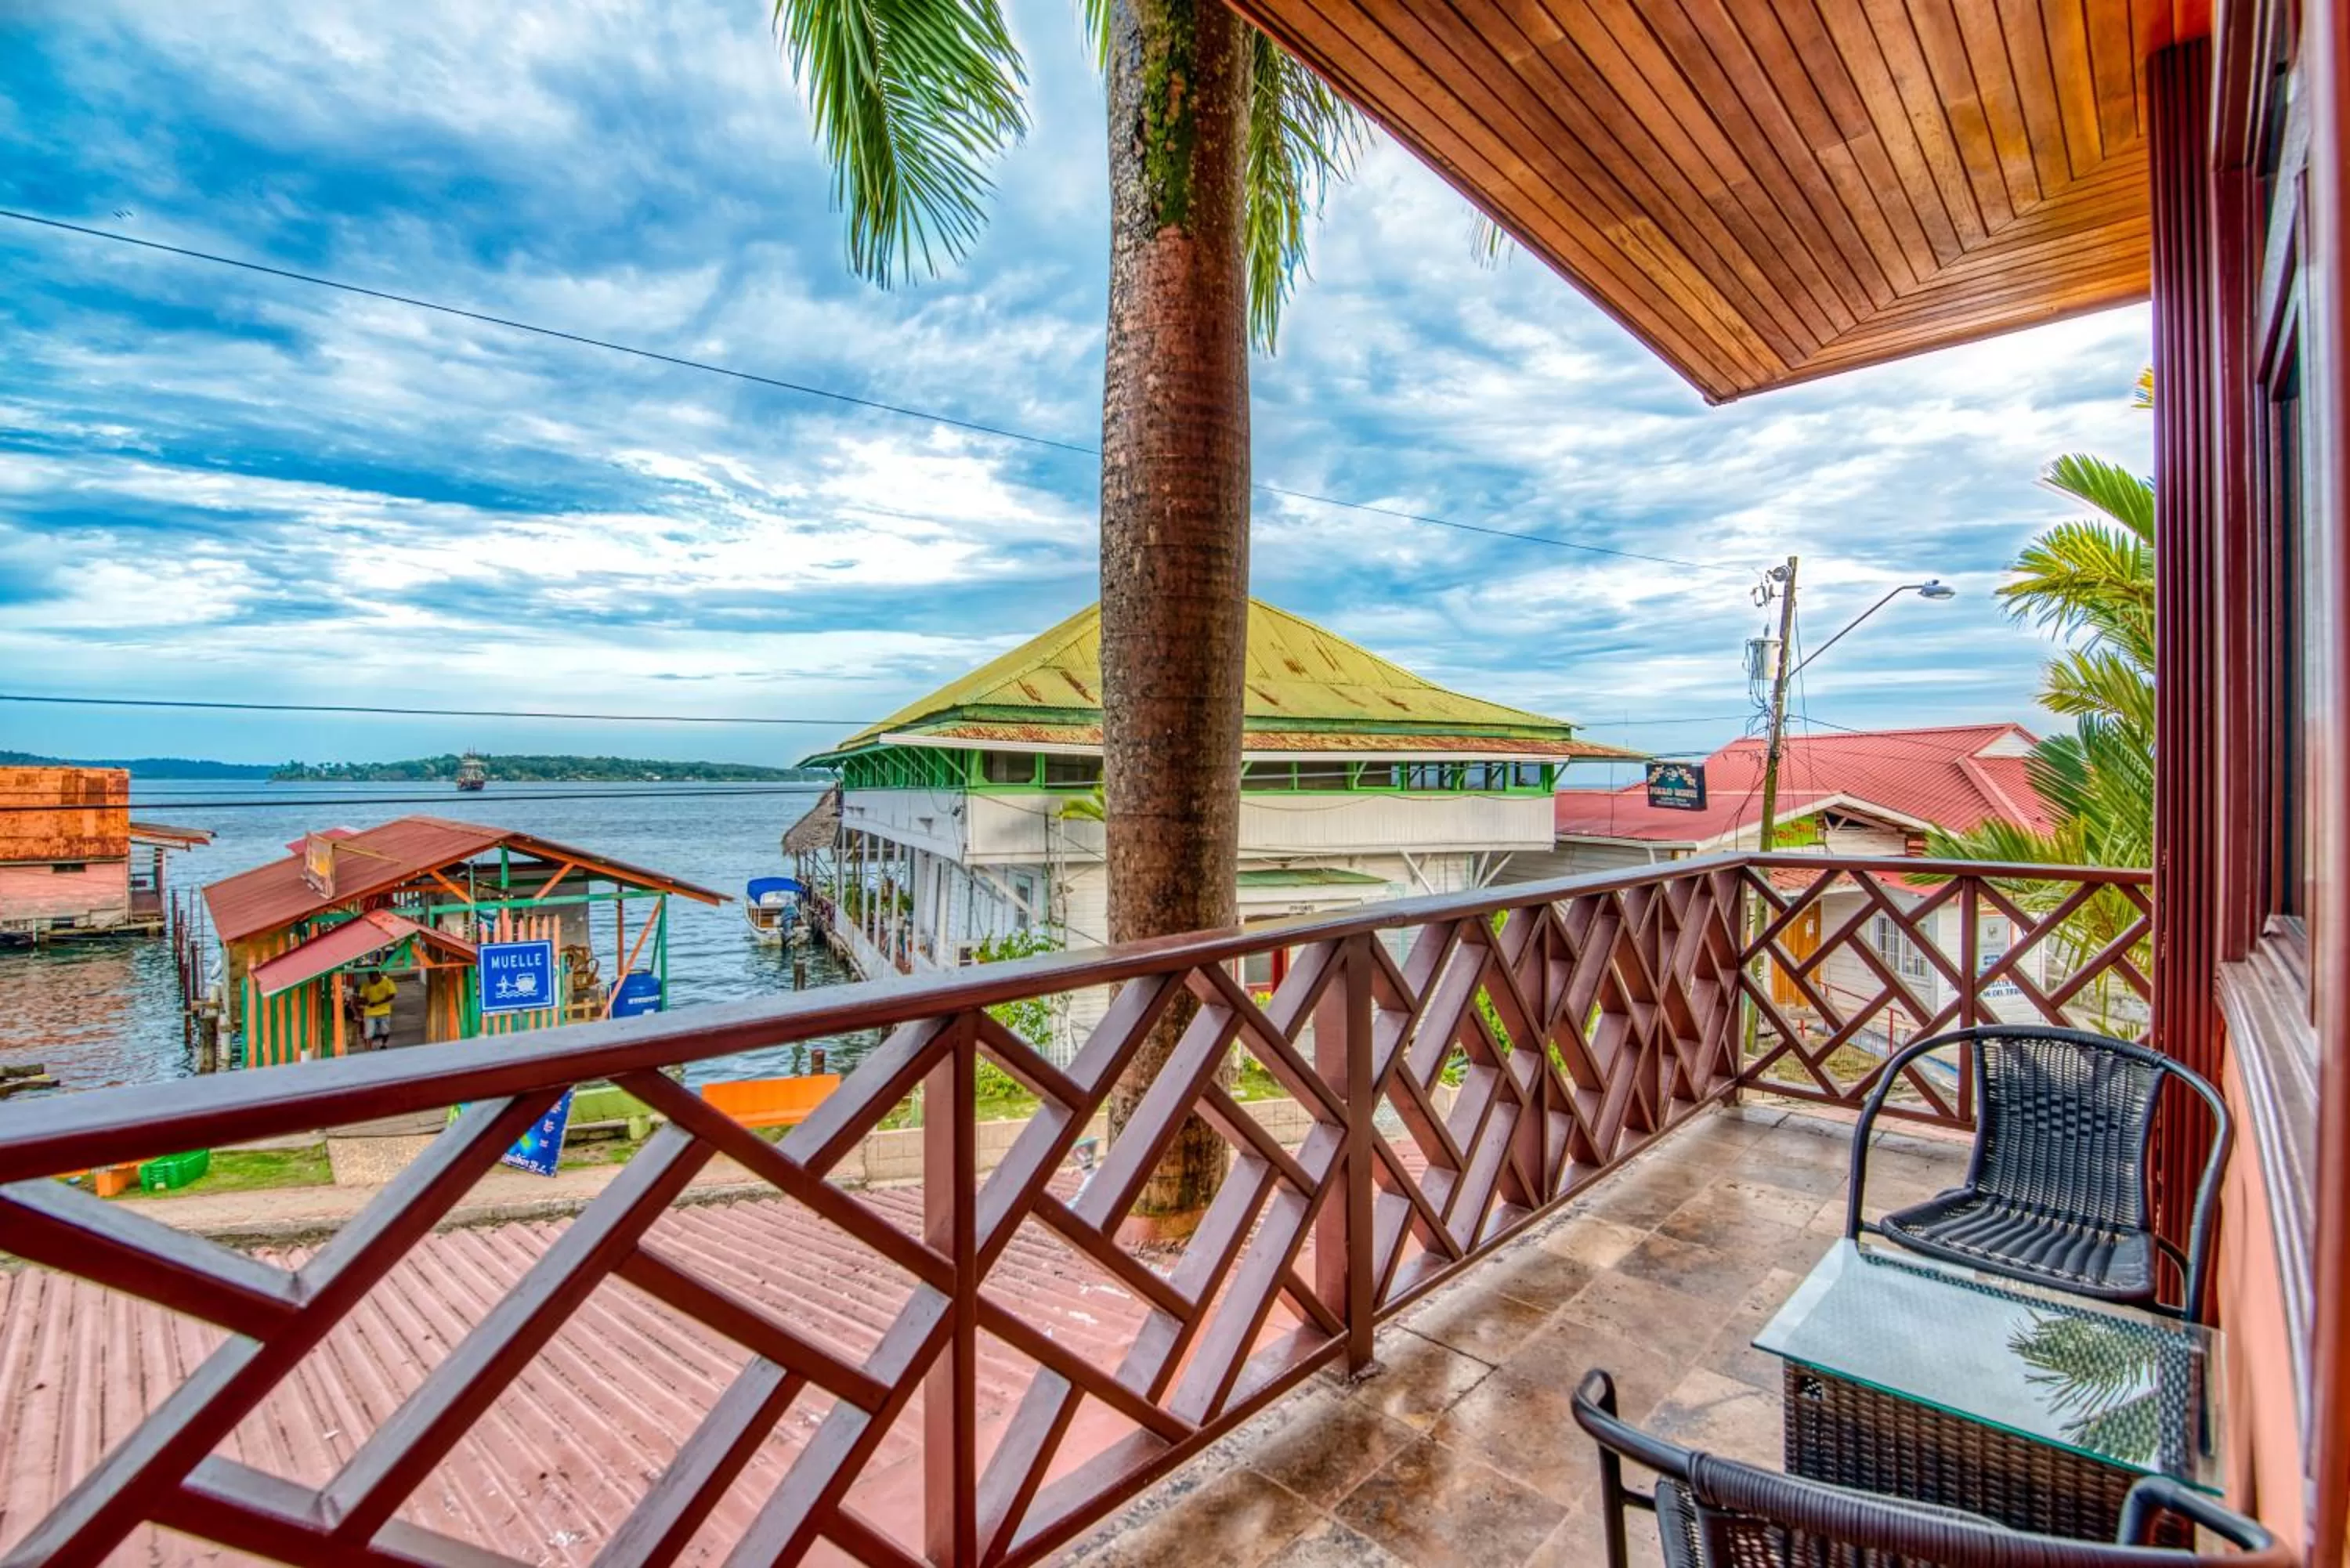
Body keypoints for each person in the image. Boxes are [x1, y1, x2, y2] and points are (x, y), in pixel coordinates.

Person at [359, 970, 398, 1048]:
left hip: (384, 1011)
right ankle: (368, 1050)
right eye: (369, 978)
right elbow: (362, 997)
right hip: (369, 1013)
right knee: (368, 1033)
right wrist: (366, 1002)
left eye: (372, 978)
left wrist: (377, 1003)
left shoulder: (388, 982)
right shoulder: (366, 985)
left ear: (378, 976)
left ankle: (384, 1044)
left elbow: (392, 996)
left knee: (385, 1031)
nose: (371, 981)